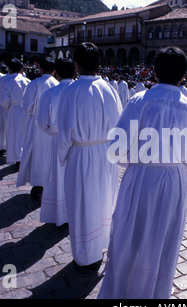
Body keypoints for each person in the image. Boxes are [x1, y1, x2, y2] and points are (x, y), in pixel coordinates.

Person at [98, 46, 187, 299]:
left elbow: (116, 148)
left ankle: (119, 294)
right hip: (174, 181)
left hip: (141, 178)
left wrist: (137, 162)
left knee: (129, 235)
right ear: (183, 76)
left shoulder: (139, 100)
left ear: (154, 72)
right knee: (162, 239)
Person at [57, 43, 122, 268]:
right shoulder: (110, 89)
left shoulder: (70, 91)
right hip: (106, 155)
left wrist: (62, 156)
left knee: (82, 204)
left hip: (82, 154)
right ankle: (102, 244)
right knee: (104, 200)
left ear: (76, 64)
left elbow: (64, 133)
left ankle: (85, 255)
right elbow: (119, 126)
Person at [36, 58, 75, 226]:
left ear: (56, 73)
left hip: (57, 139)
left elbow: (41, 122)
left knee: (57, 177)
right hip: (78, 143)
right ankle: (74, 212)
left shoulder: (50, 93)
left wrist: (53, 131)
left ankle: (59, 214)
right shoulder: (81, 91)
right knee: (74, 178)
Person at [17, 57, 58, 198]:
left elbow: (27, 105)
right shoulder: (58, 84)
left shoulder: (34, 84)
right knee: (49, 155)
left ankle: (38, 185)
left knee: (37, 154)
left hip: (37, 124)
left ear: (40, 68)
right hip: (54, 127)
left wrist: (32, 114)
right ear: (54, 70)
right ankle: (49, 184)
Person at [0, 58, 31, 166]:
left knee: (15, 134)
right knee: (25, 134)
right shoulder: (27, 81)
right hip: (26, 110)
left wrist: (8, 106)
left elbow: (4, 99)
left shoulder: (6, 81)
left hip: (14, 109)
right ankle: (25, 156)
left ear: (9, 69)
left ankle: (17, 158)